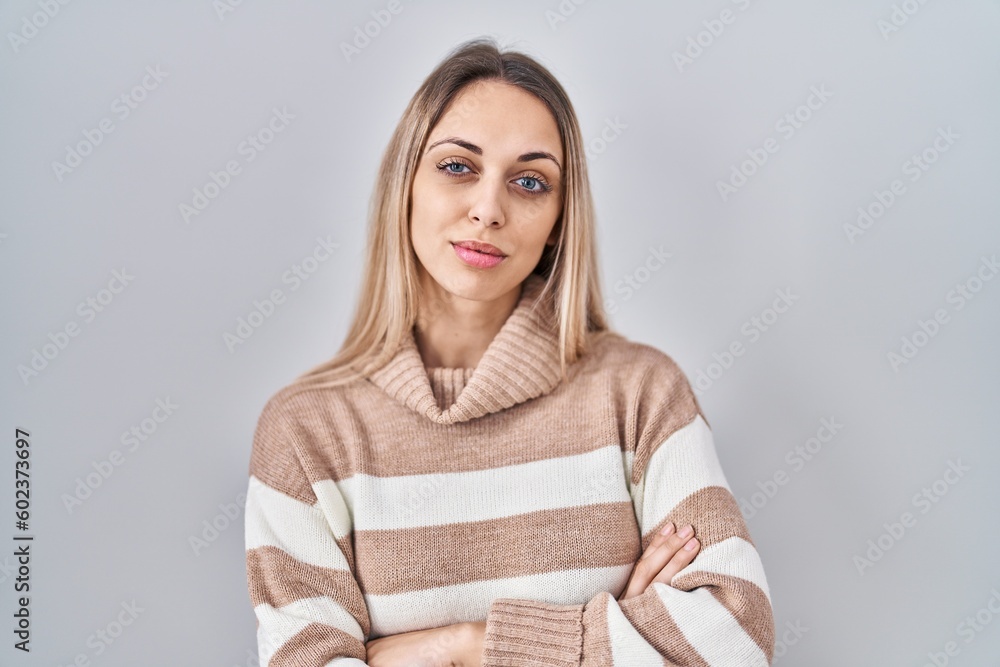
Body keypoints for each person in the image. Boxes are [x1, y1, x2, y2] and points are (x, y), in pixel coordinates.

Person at [244, 36, 774, 667]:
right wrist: (619, 637)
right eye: (457, 166)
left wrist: (462, 646)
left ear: (558, 222)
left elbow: (736, 641)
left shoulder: (639, 395)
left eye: (529, 181)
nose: (488, 210)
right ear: (404, 185)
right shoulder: (307, 433)